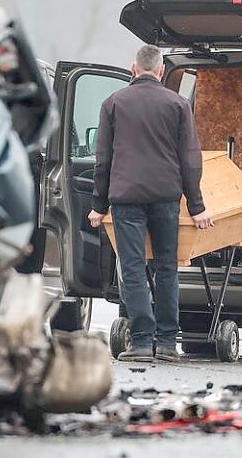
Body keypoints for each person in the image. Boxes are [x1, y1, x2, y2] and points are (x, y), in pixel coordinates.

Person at [88, 44, 213, 363]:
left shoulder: (113, 103)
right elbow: (190, 159)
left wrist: (98, 205)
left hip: (126, 198)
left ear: (133, 68)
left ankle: (142, 341)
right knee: (167, 267)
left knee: (132, 267)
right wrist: (196, 206)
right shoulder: (177, 103)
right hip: (165, 196)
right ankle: (168, 342)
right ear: (160, 71)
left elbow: (103, 160)